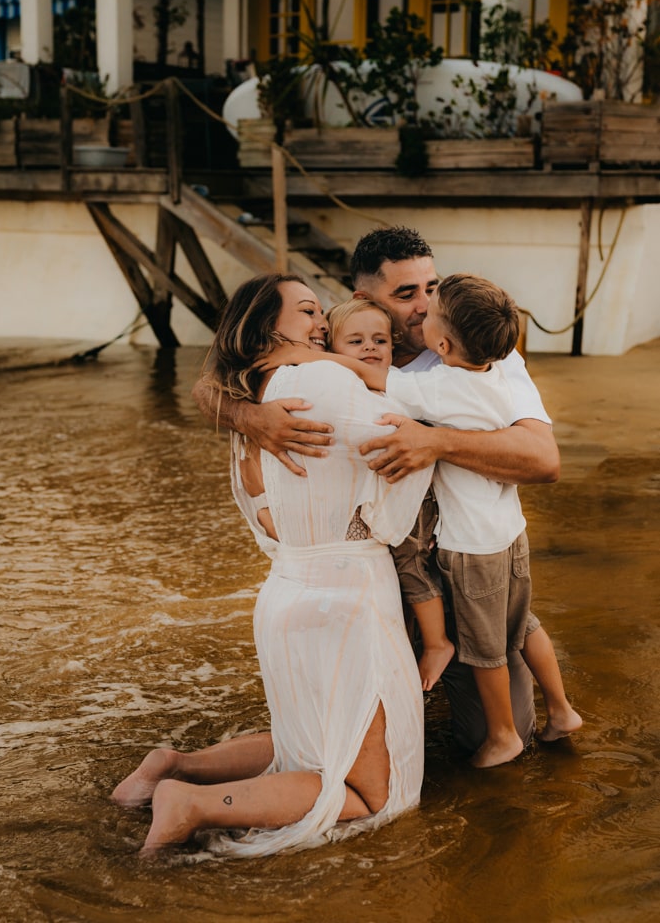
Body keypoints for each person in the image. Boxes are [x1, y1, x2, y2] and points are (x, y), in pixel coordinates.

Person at [191, 226, 560, 754]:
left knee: (501, 735)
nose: (424, 306)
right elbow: (220, 374)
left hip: (466, 566)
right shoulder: (344, 336)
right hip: (384, 574)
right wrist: (248, 415)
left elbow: (544, 460)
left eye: (431, 288)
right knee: (350, 738)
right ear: (366, 301)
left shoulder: (475, 345)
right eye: (405, 294)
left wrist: (436, 443)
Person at [112, 273, 434, 856]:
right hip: (348, 599)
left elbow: (269, 521)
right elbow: (399, 467)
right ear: (268, 327)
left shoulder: (256, 400)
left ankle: (172, 767)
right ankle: (193, 803)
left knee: (306, 746)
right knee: (371, 793)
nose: (321, 324)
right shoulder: (320, 379)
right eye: (308, 312)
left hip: (286, 589)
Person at [271, 274, 583, 768]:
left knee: (486, 650)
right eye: (406, 295)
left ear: (442, 342)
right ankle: (563, 710)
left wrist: (310, 358)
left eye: (430, 298)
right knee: (523, 626)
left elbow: (379, 382)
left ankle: (503, 735)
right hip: (511, 534)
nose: (421, 309)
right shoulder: (496, 365)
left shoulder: (437, 386)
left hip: (470, 545)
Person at [326, 296, 454, 691]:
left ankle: (437, 644)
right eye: (356, 342)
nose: (370, 348)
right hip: (392, 497)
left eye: (379, 341)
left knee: (410, 565)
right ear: (333, 350)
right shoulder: (349, 390)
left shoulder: (394, 390)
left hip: (413, 498)